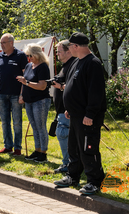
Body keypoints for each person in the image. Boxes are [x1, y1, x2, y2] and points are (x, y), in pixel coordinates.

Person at [54, 32, 106, 196]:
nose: (69, 49)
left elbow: (96, 92)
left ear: (76, 46)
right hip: (75, 115)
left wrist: (90, 114)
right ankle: (73, 176)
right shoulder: (77, 62)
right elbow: (74, 87)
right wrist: (70, 108)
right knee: (74, 148)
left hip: (87, 117)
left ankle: (95, 182)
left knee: (88, 149)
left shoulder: (93, 63)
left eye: (70, 46)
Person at [0, 33, 28, 156]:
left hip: (16, 94)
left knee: (17, 122)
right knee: (4, 121)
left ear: (11, 43)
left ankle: (17, 148)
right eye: (1, 43)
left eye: (4, 43)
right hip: (1, 94)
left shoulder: (21, 55)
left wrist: (22, 94)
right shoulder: (0, 56)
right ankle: (8, 146)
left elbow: (25, 76)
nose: (1, 45)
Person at [16, 43, 51, 163]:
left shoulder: (43, 67)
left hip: (40, 100)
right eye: (27, 56)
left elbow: (42, 86)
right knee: (34, 127)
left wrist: (26, 83)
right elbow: (23, 83)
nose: (28, 58)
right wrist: (22, 95)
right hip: (29, 101)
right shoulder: (29, 65)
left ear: (36, 54)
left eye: (30, 55)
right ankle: (37, 150)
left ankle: (43, 153)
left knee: (41, 127)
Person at [50, 40, 76, 173]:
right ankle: (68, 163)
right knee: (63, 135)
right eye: (56, 51)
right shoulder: (65, 66)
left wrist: (59, 86)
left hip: (67, 111)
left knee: (64, 135)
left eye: (59, 51)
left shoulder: (73, 66)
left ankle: (68, 164)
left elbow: (74, 88)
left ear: (68, 51)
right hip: (61, 110)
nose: (57, 54)